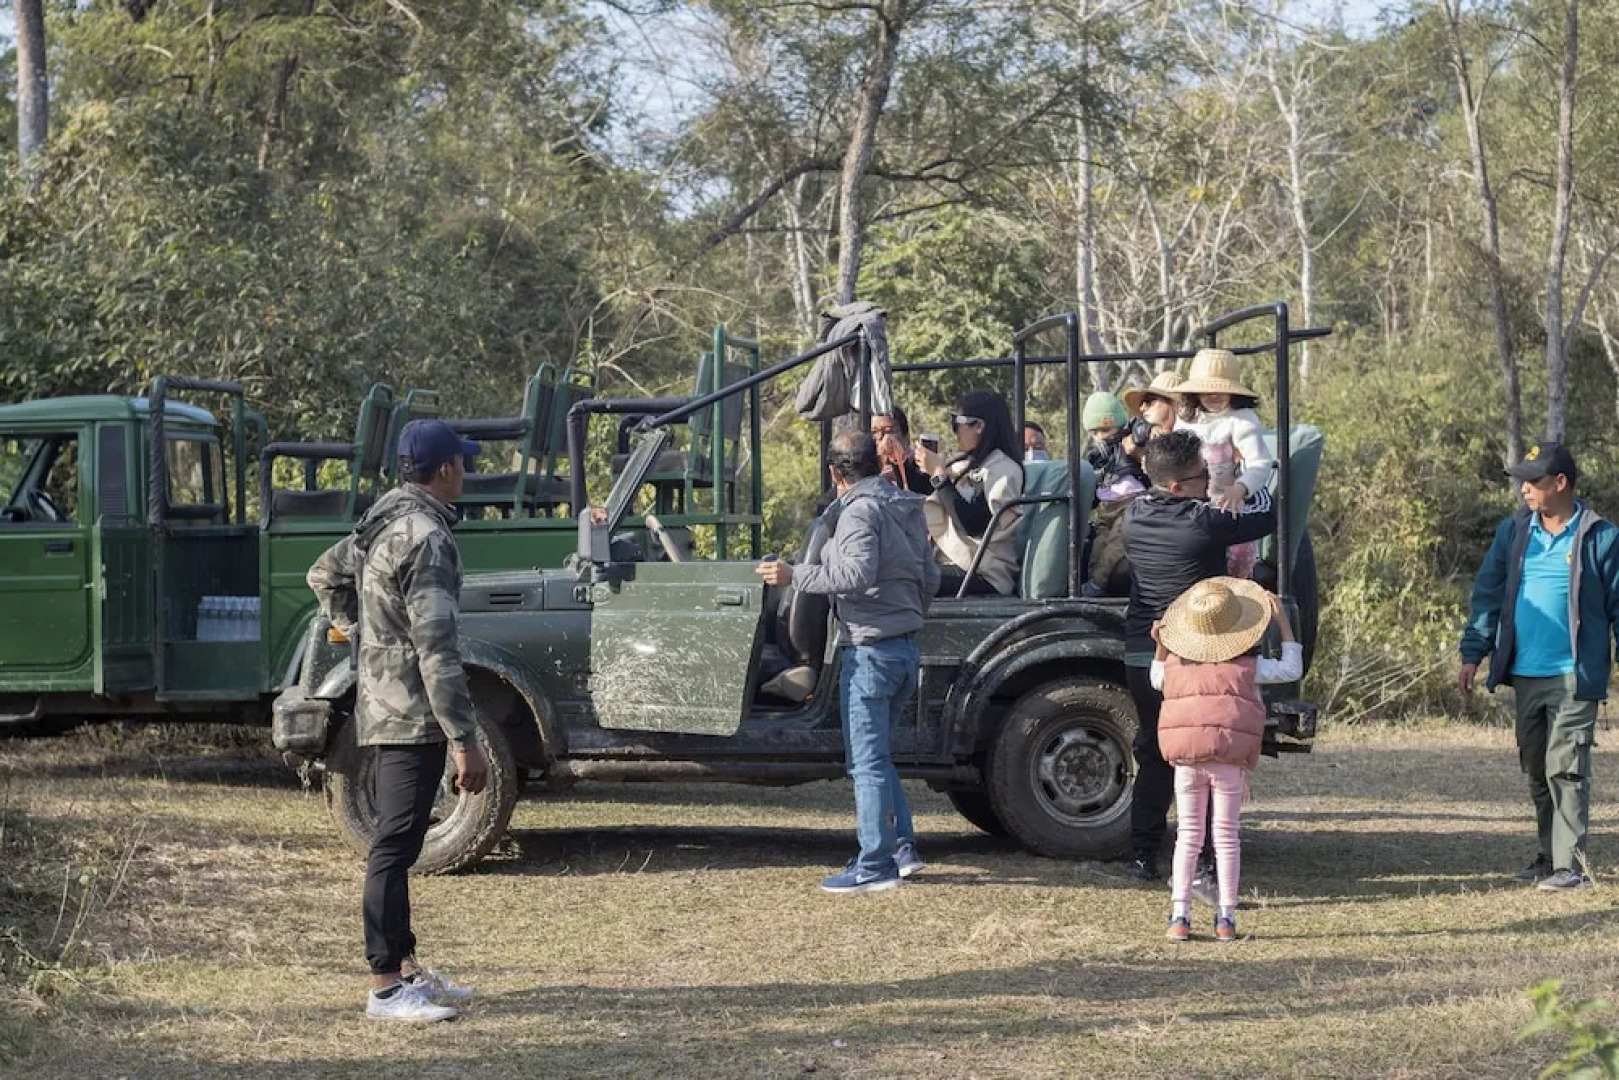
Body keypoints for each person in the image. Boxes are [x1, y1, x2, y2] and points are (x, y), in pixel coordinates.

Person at [307, 419, 489, 1023]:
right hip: (412, 712)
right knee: (394, 845)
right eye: (463, 464)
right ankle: (386, 986)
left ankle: (406, 968)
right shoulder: (426, 536)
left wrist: (368, 640)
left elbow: (323, 574)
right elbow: (437, 650)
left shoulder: (384, 519)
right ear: (446, 470)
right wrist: (465, 740)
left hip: (385, 704)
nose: (466, 473)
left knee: (400, 839)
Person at [756, 431, 940, 893]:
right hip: (903, 647)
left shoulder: (858, 511)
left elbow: (855, 573)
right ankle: (901, 847)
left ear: (835, 473)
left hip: (870, 650)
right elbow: (930, 575)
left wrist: (793, 574)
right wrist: (907, 614)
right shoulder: (904, 506)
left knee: (866, 763)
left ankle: (874, 864)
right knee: (880, 757)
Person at [1459, 442, 1619, 891]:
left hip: (1573, 674)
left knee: (1565, 768)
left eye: (1533, 481)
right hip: (1525, 673)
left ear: (1560, 483)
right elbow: (1488, 594)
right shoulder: (1514, 532)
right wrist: (1473, 652)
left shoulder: (1601, 537)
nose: (1524, 489)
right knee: (1536, 769)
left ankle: (1571, 867)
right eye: (1522, 482)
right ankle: (1550, 856)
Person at [1120, 430, 1277, 884]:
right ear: (1176, 487)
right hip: (1195, 657)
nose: (1208, 480)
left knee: (1154, 750)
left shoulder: (1133, 515)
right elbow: (1267, 514)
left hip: (1141, 653)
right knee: (1207, 755)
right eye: (1201, 475)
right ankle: (1206, 860)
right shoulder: (1202, 522)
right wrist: (1247, 481)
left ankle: (1142, 853)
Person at [1153, 578, 1303, 942]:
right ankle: (1226, 918)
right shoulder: (1249, 666)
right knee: (1225, 837)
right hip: (1229, 759)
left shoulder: (1174, 665)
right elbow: (1291, 668)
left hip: (1187, 759)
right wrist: (1282, 623)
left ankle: (1179, 915)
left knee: (1188, 835)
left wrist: (1161, 644)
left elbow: (1155, 677)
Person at [1175, 349, 1275, 579]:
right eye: (1207, 390)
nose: (1213, 396)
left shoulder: (1241, 420)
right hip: (1192, 505)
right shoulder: (1186, 420)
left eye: (1220, 390)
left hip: (1230, 503)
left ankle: (1237, 590)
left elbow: (1260, 462)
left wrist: (1241, 488)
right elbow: (1176, 457)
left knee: (1237, 554)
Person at [916, 389, 1025, 597]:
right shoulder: (966, 463)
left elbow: (972, 525)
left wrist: (939, 475)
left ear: (979, 426)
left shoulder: (1004, 470)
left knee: (906, 579)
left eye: (956, 423)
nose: (954, 431)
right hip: (956, 561)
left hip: (984, 572)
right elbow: (929, 495)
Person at [871, 407, 933, 495]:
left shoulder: (920, 468)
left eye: (889, 431)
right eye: (874, 432)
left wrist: (897, 458)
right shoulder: (864, 470)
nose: (880, 437)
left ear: (906, 437)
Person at [1123, 371, 1184, 440]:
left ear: (1173, 403)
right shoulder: (1143, 437)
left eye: (1149, 400)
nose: (1142, 408)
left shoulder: (1190, 440)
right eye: (1142, 402)